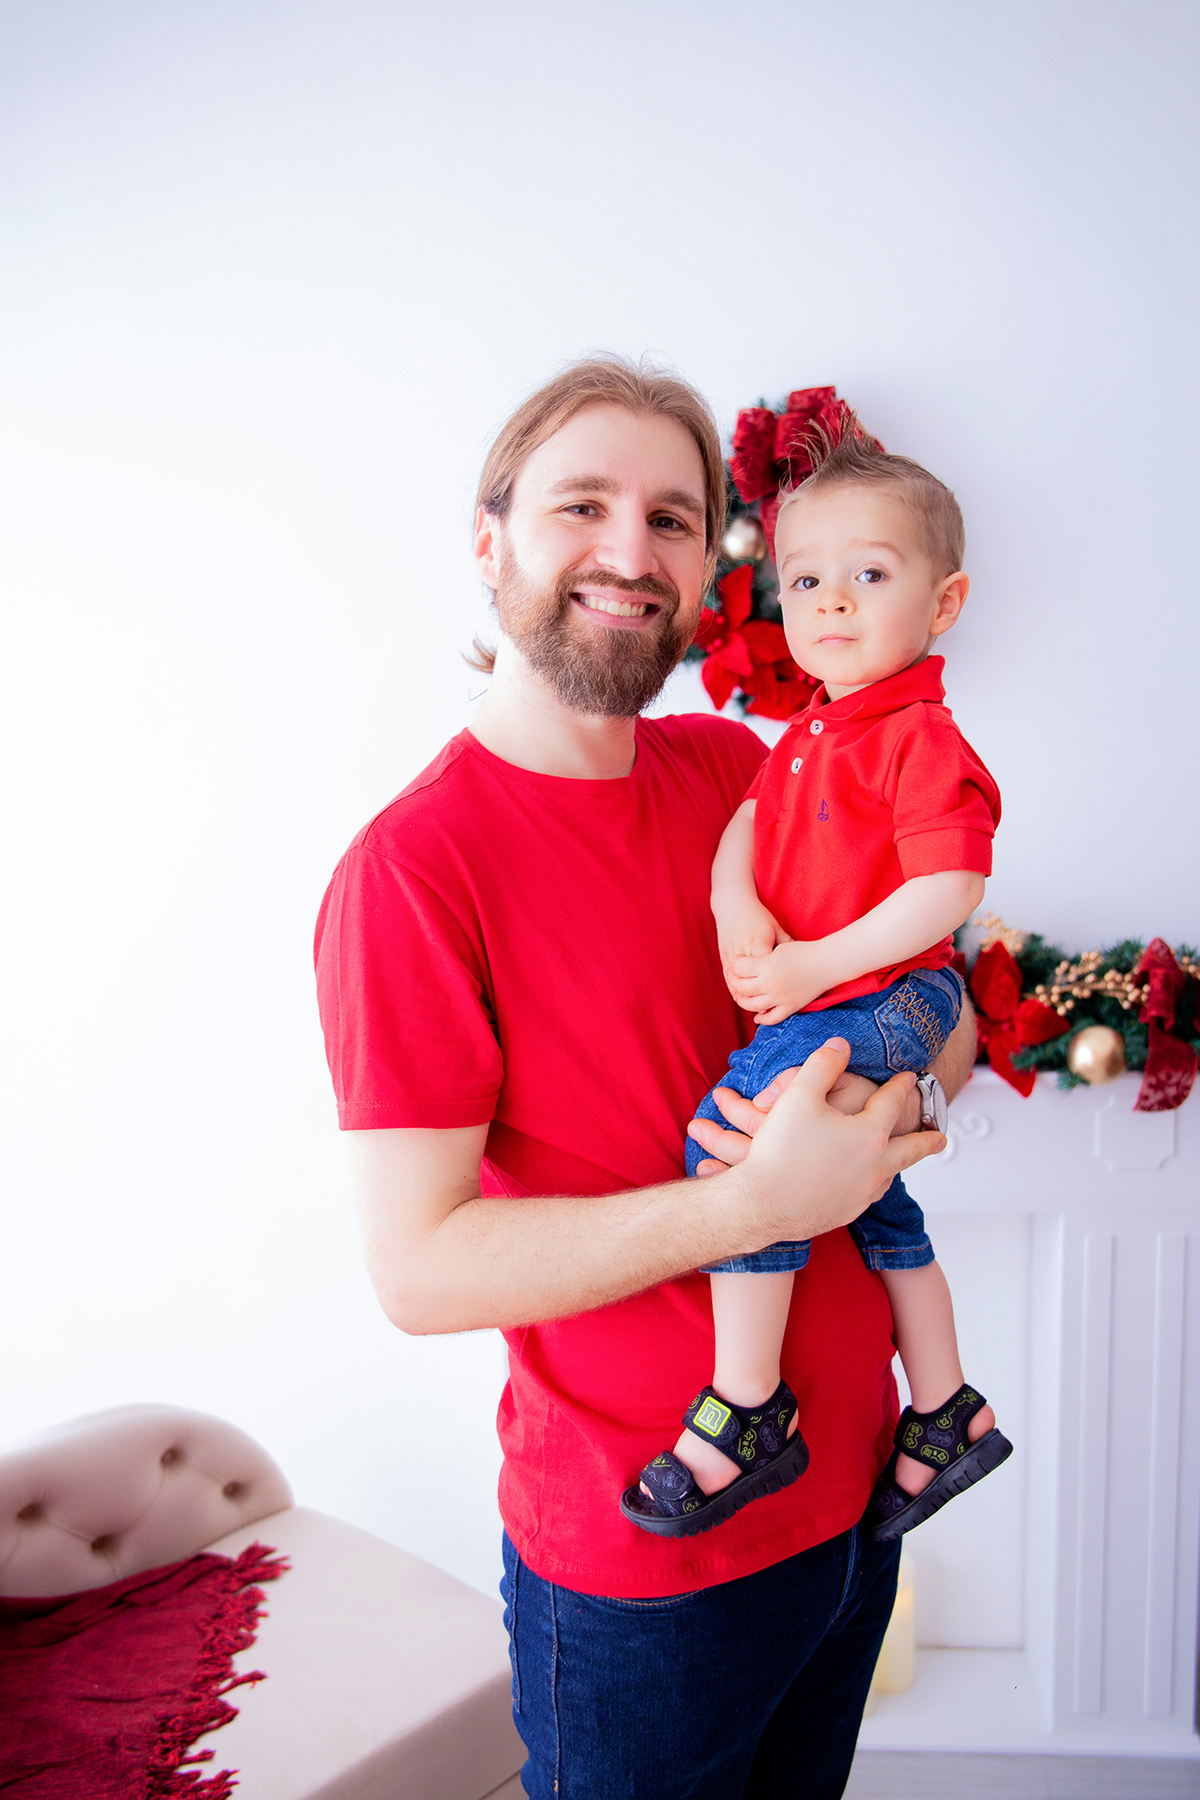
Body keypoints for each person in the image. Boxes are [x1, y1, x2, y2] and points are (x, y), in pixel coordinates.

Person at [314, 357, 977, 1800]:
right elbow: (419, 1273)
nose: (631, 553)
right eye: (583, 506)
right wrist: (762, 1200)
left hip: (858, 1502)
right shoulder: (413, 874)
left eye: (673, 519)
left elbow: (952, 1009)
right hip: (646, 1564)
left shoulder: (747, 775)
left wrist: (902, 1096)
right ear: (490, 541)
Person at [623, 425, 1013, 1543]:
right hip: (851, 994)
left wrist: (806, 967)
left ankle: (747, 1410)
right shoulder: (809, 733)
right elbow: (745, 830)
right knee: (876, 1205)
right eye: (805, 580)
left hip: (885, 997)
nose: (830, 603)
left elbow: (948, 890)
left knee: (737, 1141)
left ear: (944, 605)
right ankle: (944, 1414)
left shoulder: (919, 735)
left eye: (869, 576)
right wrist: (735, 910)